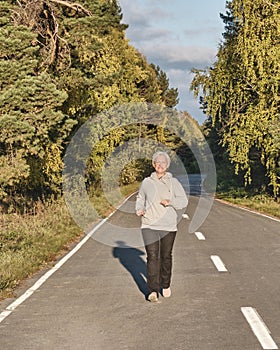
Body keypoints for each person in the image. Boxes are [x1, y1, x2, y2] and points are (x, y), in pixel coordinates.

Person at [135, 151, 188, 302]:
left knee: (165, 256)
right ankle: (152, 290)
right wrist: (139, 209)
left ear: (167, 165)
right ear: (153, 164)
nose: (160, 165)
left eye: (163, 163)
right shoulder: (146, 182)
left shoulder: (174, 183)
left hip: (168, 225)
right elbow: (140, 198)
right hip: (149, 224)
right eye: (157, 162)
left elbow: (183, 202)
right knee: (152, 257)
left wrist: (170, 202)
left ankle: (165, 284)